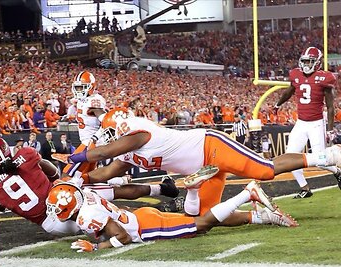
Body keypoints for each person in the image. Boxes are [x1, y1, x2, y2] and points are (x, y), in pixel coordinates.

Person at [65, 107, 341, 218]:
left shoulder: (138, 133)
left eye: (112, 133)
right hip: (202, 172)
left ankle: (328, 156)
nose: (109, 139)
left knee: (264, 169)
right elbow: (106, 171)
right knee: (201, 218)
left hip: (211, 147)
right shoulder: (125, 149)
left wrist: (76, 157)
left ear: (121, 128)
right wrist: (79, 180)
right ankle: (263, 217)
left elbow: (100, 155)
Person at [0, 137, 179, 235]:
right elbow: (47, 166)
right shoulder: (26, 154)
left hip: (53, 226)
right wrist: (57, 177)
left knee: (112, 217)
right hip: (64, 199)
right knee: (114, 197)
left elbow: (0, 206)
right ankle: (163, 191)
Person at [46, 181, 297, 253]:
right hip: (141, 216)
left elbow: (121, 237)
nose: (55, 211)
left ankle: (247, 193)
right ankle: (263, 217)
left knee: (201, 225)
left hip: (145, 227)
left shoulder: (85, 216)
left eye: (56, 207)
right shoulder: (84, 195)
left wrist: (97, 246)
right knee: (197, 224)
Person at [274, 47, 340, 198]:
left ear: (317, 63)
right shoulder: (296, 74)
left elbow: (330, 107)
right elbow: (289, 91)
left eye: (309, 61)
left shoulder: (325, 78)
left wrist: (330, 130)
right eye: (304, 61)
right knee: (290, 157)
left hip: (316, 123)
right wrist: (278, 105)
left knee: (320, 161)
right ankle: (305, 188)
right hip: (301, 123)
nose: (306, 65)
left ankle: (337, 172)